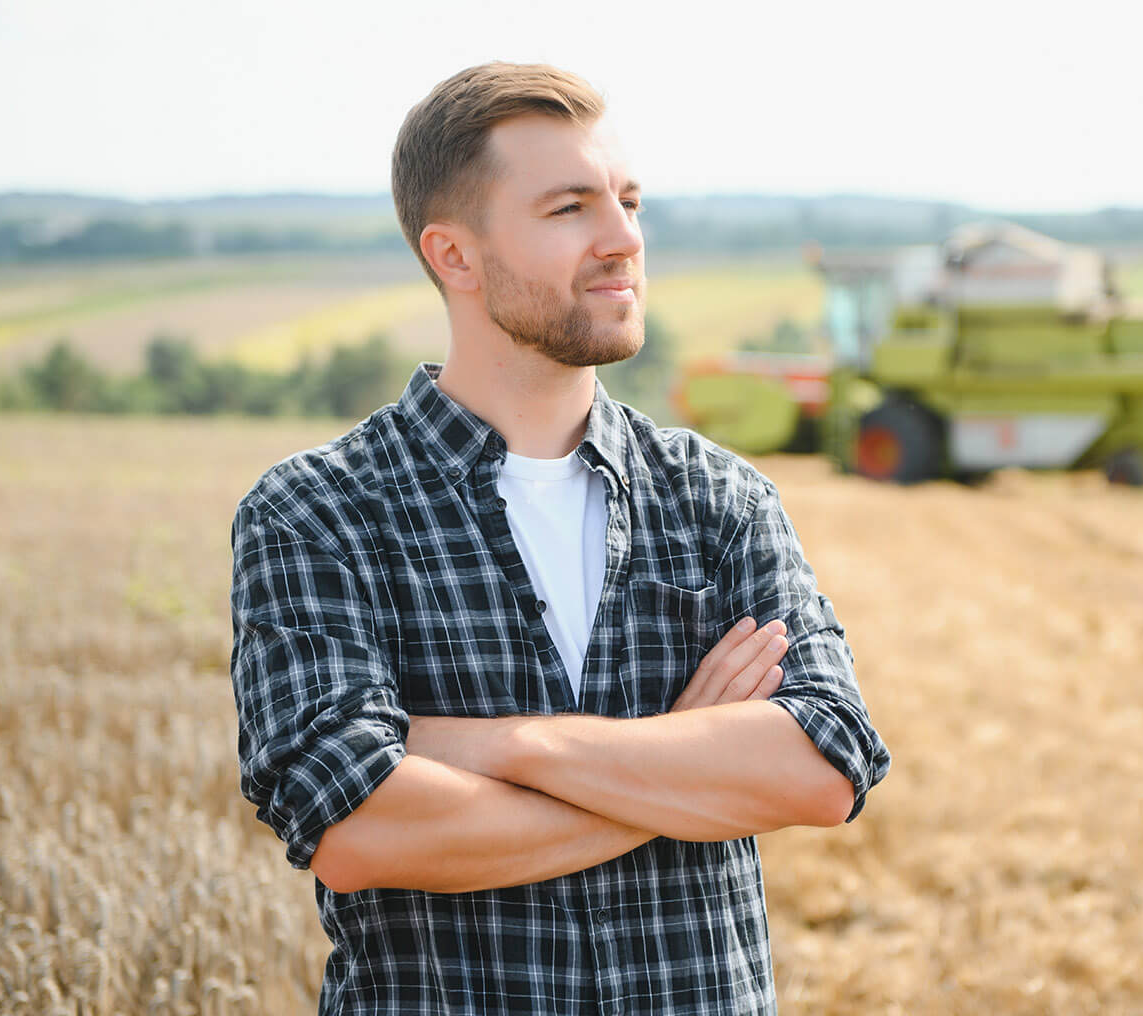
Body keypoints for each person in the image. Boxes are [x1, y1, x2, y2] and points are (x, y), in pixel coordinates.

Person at [228, 62, 890, 1015]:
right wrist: (680, 770)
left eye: (628, 201)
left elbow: (824, 766)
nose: (624, 239)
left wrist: (506, 746)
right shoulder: (320, 512)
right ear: (454, 255)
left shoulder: (720, 498)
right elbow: (359, 828)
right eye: (570, 208)